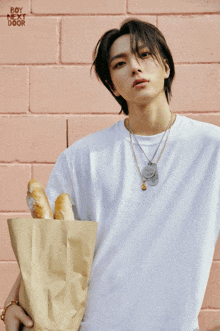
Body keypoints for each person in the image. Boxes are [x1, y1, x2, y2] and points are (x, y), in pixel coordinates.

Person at [2, 18, 220, 331]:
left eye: (144, 55)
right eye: (120, 63)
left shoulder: (212, 148)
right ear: (112, 84)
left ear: (167, 67)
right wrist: (12, 303)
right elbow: (46, 241)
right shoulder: (82, 157)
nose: (134, 67)